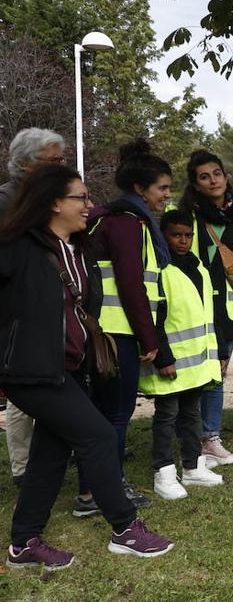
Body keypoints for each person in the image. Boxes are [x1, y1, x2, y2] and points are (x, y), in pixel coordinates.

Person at [0, 164, 173, 567]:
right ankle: (125, 528)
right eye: (80, 197)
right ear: (55, 202)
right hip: (32, 368)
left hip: (68, 367)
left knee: (52, 450)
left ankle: (24, 543)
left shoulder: (79, 249)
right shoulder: (17, 246)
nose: (88, 204)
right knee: (96, 435)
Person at [88, 139, 172, 509]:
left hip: (107, 329)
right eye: (163, 188)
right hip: (114, 331)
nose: (168, 196)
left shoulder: (114, 219)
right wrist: (147, 336)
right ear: (140, 188)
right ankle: (105, 489)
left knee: (105, 413)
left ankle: (92, 489)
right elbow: (130, 283)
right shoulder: (126, 223)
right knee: (116, 414)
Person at [140, 209, 225, 499]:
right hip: (171, 361)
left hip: (196, 363)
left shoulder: (197, 266)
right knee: (167, 416)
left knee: (191, 413)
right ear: (163, 236)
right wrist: (163, 357)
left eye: (188, 235)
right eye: (176, 235)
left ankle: (193, 466)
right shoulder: (161, 270)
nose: (183, 241)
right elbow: (156, 317)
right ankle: (163, 473)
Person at [1, 129, 67, 487]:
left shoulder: (52, 201)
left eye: (62, 159)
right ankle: (23, 469)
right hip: (18, 318)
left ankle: (48, 462)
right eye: (53, 160)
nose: (61, 165)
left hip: (53, 313)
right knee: (23, 399)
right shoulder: (6, 202)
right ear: (26, 165)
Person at [179, 149, 233, 467]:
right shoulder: (186, 218)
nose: (213, 180)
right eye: (204, 176)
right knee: (192, 376)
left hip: (227, 313)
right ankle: (188, 440)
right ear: (195, 184)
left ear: (226, 176)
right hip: (194, 310)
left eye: (217, 173)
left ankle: (211, 438)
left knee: (218, 375)